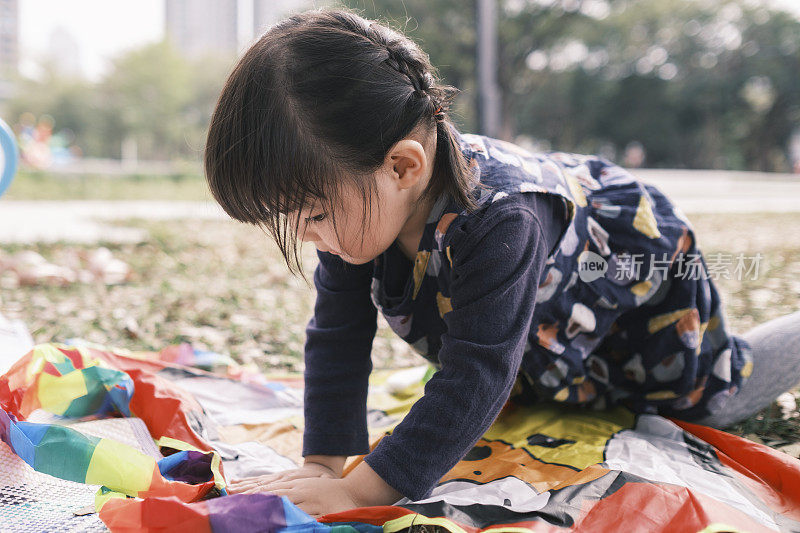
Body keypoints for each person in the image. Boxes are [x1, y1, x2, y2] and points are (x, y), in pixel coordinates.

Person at [203, 8, 800, 517]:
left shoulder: (501, 218)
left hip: (633, 293)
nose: (311, 238)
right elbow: (337, 335)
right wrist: (323, 464)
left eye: (310, 216)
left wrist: (362, 491)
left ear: (404, 166)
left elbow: (478, 374)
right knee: (545, 385)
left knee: (714, 393)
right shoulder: (359, 213)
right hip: (549, 334)